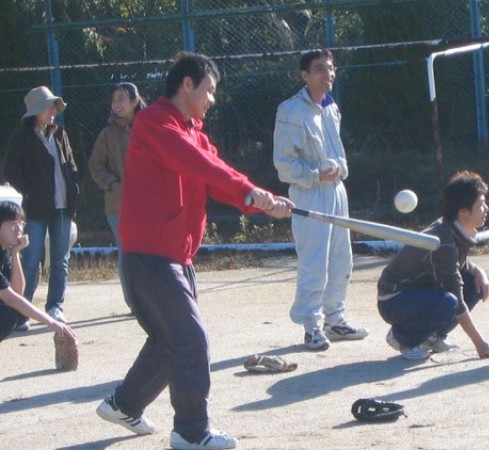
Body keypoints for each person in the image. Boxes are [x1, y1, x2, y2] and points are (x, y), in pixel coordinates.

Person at [95, 52, 293, 450]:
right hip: (150, 255)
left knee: (170, 340)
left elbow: (216, 176)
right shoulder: (154, 122)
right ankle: (191, 431)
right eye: (209, 90)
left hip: (176, 257)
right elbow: (196, 163)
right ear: (187, 84)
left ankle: (124, 403)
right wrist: (249, 193)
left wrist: (261, 200)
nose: (212, 99)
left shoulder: (193, 133)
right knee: (189, 339)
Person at [273, 49, 368, 351]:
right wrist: (316, 175)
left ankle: (335, 320)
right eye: (319, 70)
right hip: (309, 193)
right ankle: (311, 327)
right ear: (305, 76)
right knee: (315, 262)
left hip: (336, 191)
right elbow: (284, 165)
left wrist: (339, 170)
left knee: (342, 258)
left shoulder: (331, 108)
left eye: (330, 69)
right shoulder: (290, 111)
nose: (327, 75)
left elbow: (338, 152)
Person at [377, 170, 489, 361]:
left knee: (474, 286)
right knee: (449, 301)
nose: (486, 209)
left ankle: (432, 337)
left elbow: (459, 263)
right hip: (394, 299)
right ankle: (403, 338)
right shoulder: (443, 242)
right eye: (481, 204)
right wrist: (479, 343)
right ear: (463, 212)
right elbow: (455, 295)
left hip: (419, 292)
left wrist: (478, 271)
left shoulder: (454, 229)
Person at [3, 86, 80, 328]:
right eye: (48, 107)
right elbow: (11, 171)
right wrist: (31, 191)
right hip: (35, 210)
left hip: (63, 207)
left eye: (54, 107)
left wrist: (74, 186)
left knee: (60, 259)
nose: (53, 111)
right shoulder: (21, 137)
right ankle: (22, 312)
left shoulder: (61, 134)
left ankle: (55, 306)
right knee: (31, 259)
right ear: (35, 111)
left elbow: (72, 165)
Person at [89, 82, 146, 311]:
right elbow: (95, 166)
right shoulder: (106, 134)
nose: (116, 104)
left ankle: (152, 300)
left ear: (134, 100)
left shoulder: (150, 127)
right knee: (128, 254)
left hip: (151, 203)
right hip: (118, 206)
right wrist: (113, 184)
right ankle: (135, 303)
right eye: (113, 100)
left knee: (151, 253)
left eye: (121, 98)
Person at [0, 201, 76, 343]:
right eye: (12, 224)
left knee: (20, 314)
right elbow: (10, 298)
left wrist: (15, 253)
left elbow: (17, 292)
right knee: (7, 315)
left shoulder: (5, 251)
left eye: (21, 224)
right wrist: (51, 322)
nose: (19, 229)